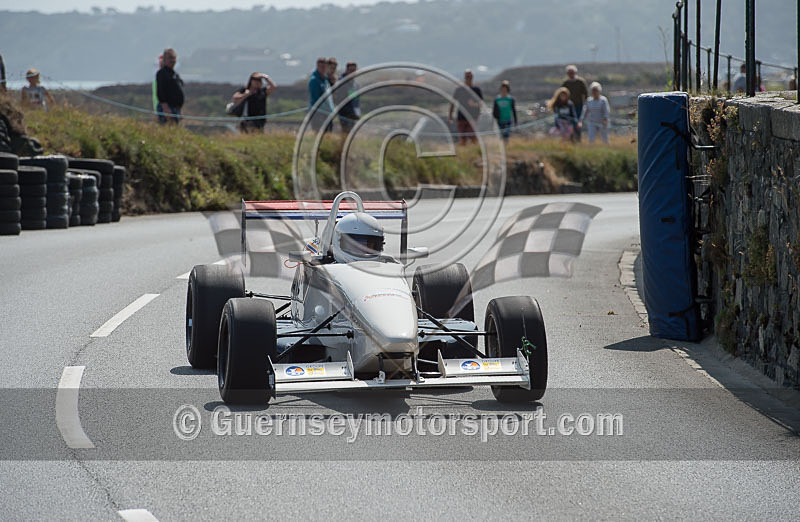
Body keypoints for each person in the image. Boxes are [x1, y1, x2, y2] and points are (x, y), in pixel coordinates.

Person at [449, 69, 483, 145]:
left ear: (472, 77)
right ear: (465, 77)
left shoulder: (476, 90)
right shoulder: (459, 89)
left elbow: (481, 104)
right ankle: (463, 154)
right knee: (463, 139)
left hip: (473, 117)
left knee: (473, 137)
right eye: (467, 76)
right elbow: (452, 103)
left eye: (470, 76)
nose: (468, 78)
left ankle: (476, 152)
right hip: (461, 117)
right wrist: (450, 116)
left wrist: (473, 104)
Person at [155, 48, 184, 125]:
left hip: (176, 108)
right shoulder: (162, 73)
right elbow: (160, 92)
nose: (172, 60)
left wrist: (180, 109)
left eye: (174, 58)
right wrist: (165, 108)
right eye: (170, 58)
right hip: (167, 108)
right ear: (164, 59)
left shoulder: (175, 74)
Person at [308, 57, 335, 131]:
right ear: (317, 66)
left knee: (328, 135)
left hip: (327, 113)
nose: (322, 69)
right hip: (318, 114)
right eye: (321, 67)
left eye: (324, 67)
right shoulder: (314, 80)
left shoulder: (326, 79)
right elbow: (316, 99)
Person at [562, 65, 588, 140]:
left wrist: (586, 104)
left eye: (572, 72)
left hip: (579, 106)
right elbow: (562, 93)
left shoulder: (580, 82)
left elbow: (585, 93)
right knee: (569, 123)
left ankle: (578, 138)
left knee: (577, 123)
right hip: (568, 106)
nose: (571, 74)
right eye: (569, 73)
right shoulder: (566, 83)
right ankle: (571, 139)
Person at [338, 62, 361, 133]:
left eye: (354, 70)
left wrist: (357, 113)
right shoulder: (341, 82)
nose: (353, 72)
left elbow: (356, 101)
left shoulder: (355, 84)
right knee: (345, 134)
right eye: (351, 70)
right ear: (347, 70)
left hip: (353, 115)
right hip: (344, 115)